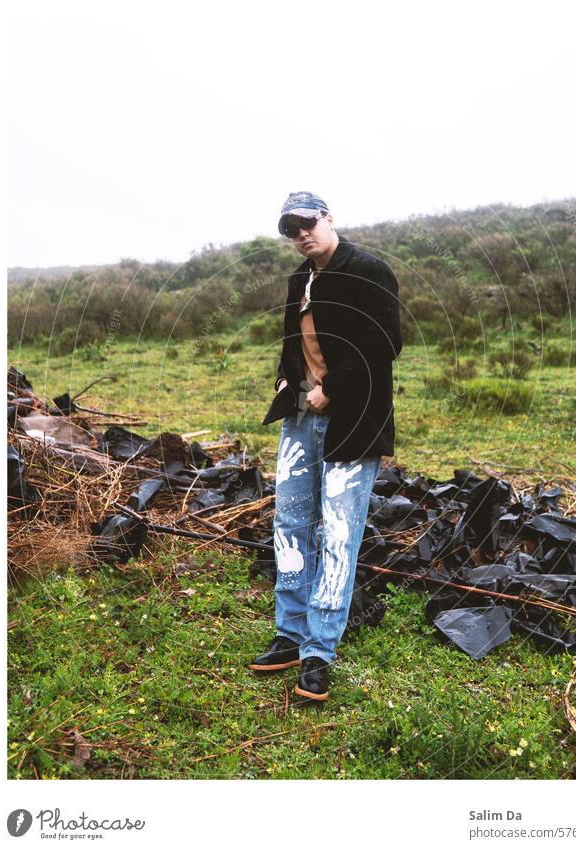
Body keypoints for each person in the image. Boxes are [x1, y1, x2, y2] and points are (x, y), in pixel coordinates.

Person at [249, 191, 402, 701]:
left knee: (338, 535)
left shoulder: (368, 270)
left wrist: (329, 389)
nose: (300, 235)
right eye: (290, 230)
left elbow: (385, 344)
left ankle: (318, 652)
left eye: (307, 223)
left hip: (351, 423)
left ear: (329, 219)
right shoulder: (300, 278)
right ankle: (289, 634)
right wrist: (285, 381)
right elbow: (293, 342)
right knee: (290, 525)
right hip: (300, 421)